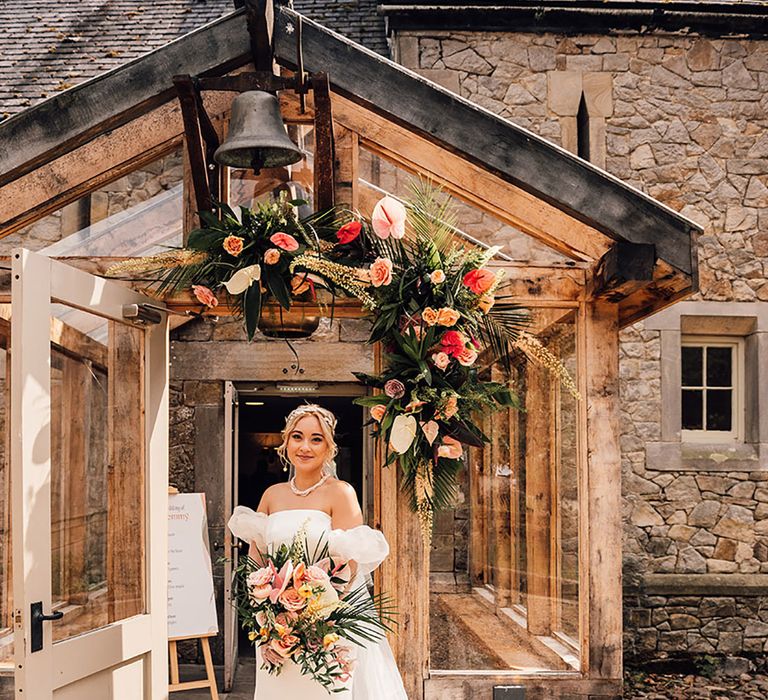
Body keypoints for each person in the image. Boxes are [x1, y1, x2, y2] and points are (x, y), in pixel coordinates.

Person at [228, 403, 408, 699]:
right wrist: (268, 621)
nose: (305, 447)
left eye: (316, 439)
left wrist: (312, 616)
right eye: (297, 437)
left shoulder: (341, 493)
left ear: (329, 447)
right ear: (285, 443)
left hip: (326, 631)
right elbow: (256, 564)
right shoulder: (271, 496)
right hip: (276, 633)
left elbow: (348, 569)